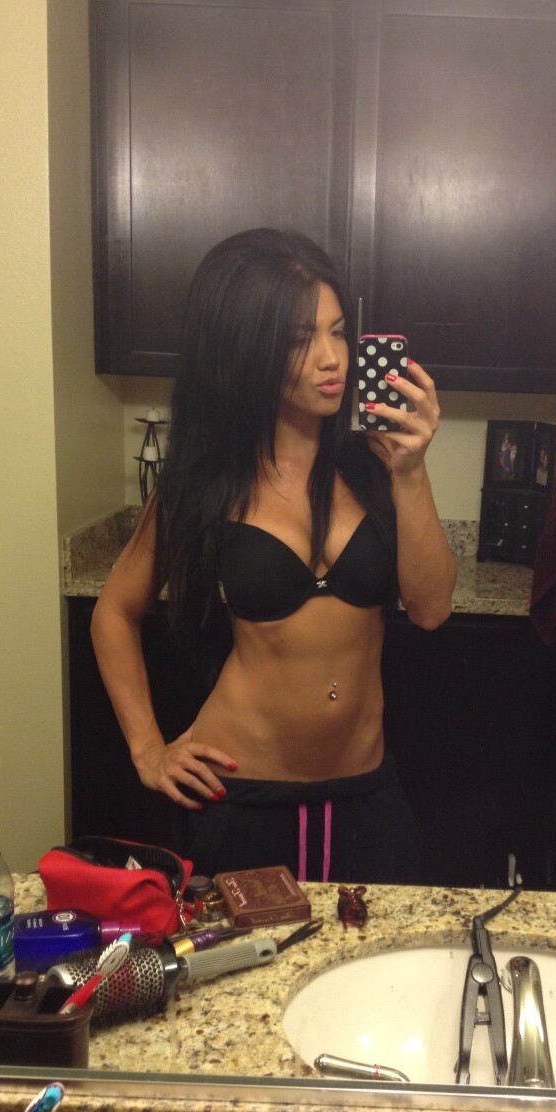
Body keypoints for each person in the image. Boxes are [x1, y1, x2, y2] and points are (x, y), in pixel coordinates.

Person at [90, 228, 456, 883]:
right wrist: (147, 749)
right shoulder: (204, 483)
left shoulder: (375, 467)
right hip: (239, 797)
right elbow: (113, 613)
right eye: (299, 339)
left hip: (366, 796)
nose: (331, 358)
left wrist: (411, 472)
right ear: (245, 347)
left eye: (338, 332)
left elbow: (431, 609)